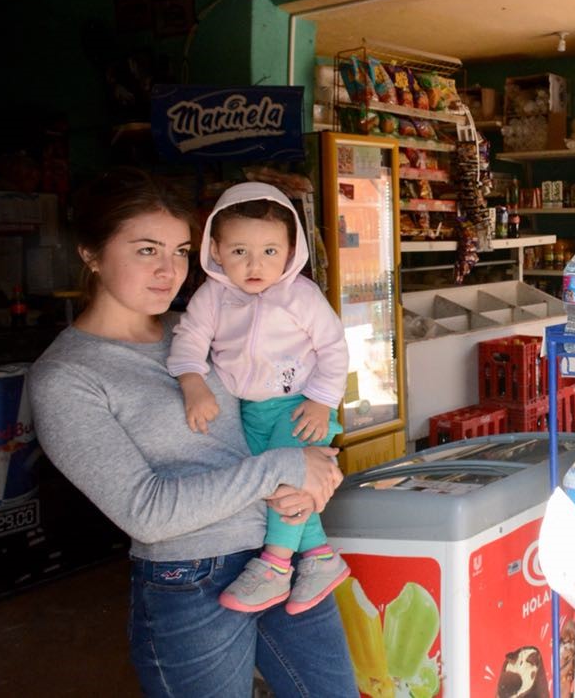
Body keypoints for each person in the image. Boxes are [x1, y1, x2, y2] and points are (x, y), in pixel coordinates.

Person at [29, 168, 357, 697]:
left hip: (284, 552)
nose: (169, 271)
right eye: (146, 251)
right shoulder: (67, 378)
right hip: (190, 579)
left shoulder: (204, 323)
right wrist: (284, 468)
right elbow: (147, 512)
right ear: (90, 252)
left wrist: (317, 457)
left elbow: (281, 399)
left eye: (180, 251)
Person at [167, 182, 351, 615]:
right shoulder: (212, 296)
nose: (255, 264)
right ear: (215, 249)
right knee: (276, 486)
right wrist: (192, 381)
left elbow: (334, 347)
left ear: (290, 252)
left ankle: (275, 565)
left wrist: (323, 401)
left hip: (301, 407)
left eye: (270, 251)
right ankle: (322, 558)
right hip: (250, 412)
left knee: (286, 483)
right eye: (239, 251)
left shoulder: (300, 296)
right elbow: (189, 338)